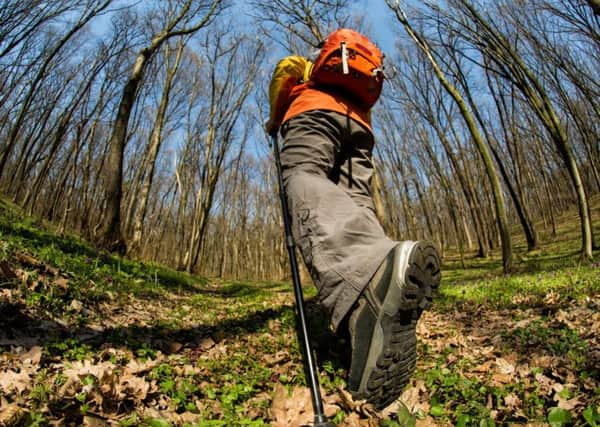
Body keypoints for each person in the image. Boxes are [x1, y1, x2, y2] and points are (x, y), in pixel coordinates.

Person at [266, 30, 441, 409]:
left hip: (311, 114)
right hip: (361, 127)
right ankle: (373, 301)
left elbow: (283, 74)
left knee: (303, 176)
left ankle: (376, 277)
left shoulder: (306, 69)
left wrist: (274, 118)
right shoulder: (359, 88)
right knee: (357, 205)